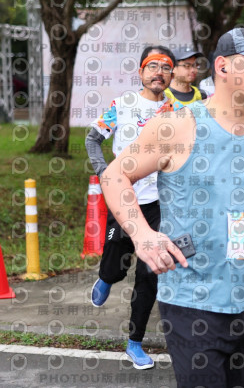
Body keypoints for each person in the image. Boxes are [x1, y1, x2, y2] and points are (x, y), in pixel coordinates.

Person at [99, 27, 244, 388]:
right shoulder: (177, 126)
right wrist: (142, 235)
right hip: (192, 300)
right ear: (222, 67)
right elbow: (114, 176)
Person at [85, 45, 177, 370]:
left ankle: (134, 343)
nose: (159, 72)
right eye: (152, 66)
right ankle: (107, 278)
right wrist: (104, 172)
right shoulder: (122, 104)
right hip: (123, 200)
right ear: (140, 72)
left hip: (159, 205)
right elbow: (92, 139)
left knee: (149, 275)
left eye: (166, 67)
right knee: (115, 263)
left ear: (171, 75)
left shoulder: (176, 110)